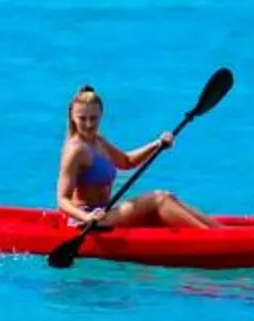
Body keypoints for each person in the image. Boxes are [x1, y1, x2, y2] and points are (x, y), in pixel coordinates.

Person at [57, 84, 217, 230]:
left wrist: (158, 144)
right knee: (159, 198)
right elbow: (62, 200)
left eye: (93, 118)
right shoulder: (75, 151)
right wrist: (87, 217)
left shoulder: (98, 140)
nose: (89, 124)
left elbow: (127, 161)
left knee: (168, 197)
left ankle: (221, 231)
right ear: (72, 117)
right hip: (87, 222)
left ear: (101, 115)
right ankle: (213, 239)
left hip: (106, 213)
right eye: (82, 118)